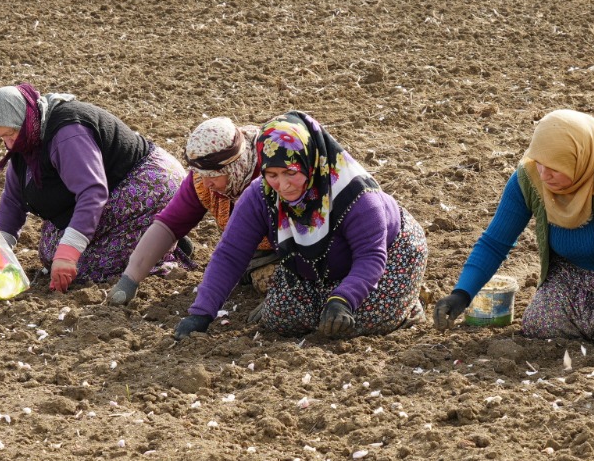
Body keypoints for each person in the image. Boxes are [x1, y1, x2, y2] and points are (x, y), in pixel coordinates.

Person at [432, 109, 594, 346]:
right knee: (538, 323)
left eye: (556, 168)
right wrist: (461, 295)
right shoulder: (531, 177)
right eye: (540, 163)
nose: (545, 175)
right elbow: (495, 241)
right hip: (573, 273)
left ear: (578, 160)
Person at [173, 111, 426, 339]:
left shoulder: (356, 196)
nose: (283, 186)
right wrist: (202, 313)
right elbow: (230, 254)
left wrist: (343, 300)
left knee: (361, 320)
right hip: (316, 265)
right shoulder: (260, 195)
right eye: (272, 175)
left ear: (310, 161)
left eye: (290, 173)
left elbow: (370, 256)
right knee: (281, 319)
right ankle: (335, 294)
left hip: (389, 255)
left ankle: (406, 306)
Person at [0, 83, 190, 293]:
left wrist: (69, 253)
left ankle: (160, 247)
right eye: (1, 138)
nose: (9, 145)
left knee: (85, 268)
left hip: (146, 183)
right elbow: (13, 201)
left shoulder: (67, 133)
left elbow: (92, 192)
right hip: (111, 187)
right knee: (50, 253)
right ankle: (149, 236)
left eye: (11, 134)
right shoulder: (26, 142)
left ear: (25, 119)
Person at [107, 116, 274, 305]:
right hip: (246, 249)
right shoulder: (204, 182)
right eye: (201, 175)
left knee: (268, 282)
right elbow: (169, 224)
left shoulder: (275, 174)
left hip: (292, 248)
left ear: (235, 166)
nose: (206, 183)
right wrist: (129, 280)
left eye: (213, 176)